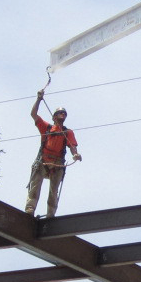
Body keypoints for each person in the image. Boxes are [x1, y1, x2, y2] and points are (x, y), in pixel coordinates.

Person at [24, 90, 82, 218]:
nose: (63, 114)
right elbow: (33, 114)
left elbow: (72, 146)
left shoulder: (67, 132)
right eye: (60, 113)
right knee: (35, 187)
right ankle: (29, 210)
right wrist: (39, 99)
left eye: (64, 113)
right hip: (43, 162)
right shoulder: (47, 128)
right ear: (54, 116)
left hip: (57, 165)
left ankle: (51, 215)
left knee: (53, 191)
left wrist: (75, 154)